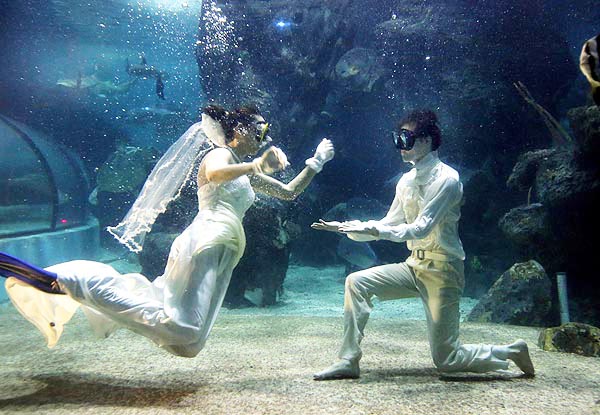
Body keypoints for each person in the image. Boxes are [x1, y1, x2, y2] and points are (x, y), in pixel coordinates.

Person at [0, 104, 334, 358]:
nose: (265, 138)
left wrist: (315, 164)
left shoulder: (243, 172)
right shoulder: (218, 156)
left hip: (223, 249)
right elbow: (217, 175)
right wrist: (256, 164)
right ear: (240, 130)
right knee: (182, 329)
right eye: (260, 131)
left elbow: (288, 192)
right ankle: (68, 281)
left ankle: (72, 283)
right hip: (206, 242)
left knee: (188, 341)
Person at [311, 109, 534, 380]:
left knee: (447, 360)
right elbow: (390, 222)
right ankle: (348, 360)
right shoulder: (405, 181)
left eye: (405, 138)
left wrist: (372, 229)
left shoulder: (448, 180)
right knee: (356, 282)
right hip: (413, 266)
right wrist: (348, 229)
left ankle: (511, 351)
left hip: (443, 271)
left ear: (427, 140)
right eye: (397, 138)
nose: (400, 146)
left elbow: (420, 227)